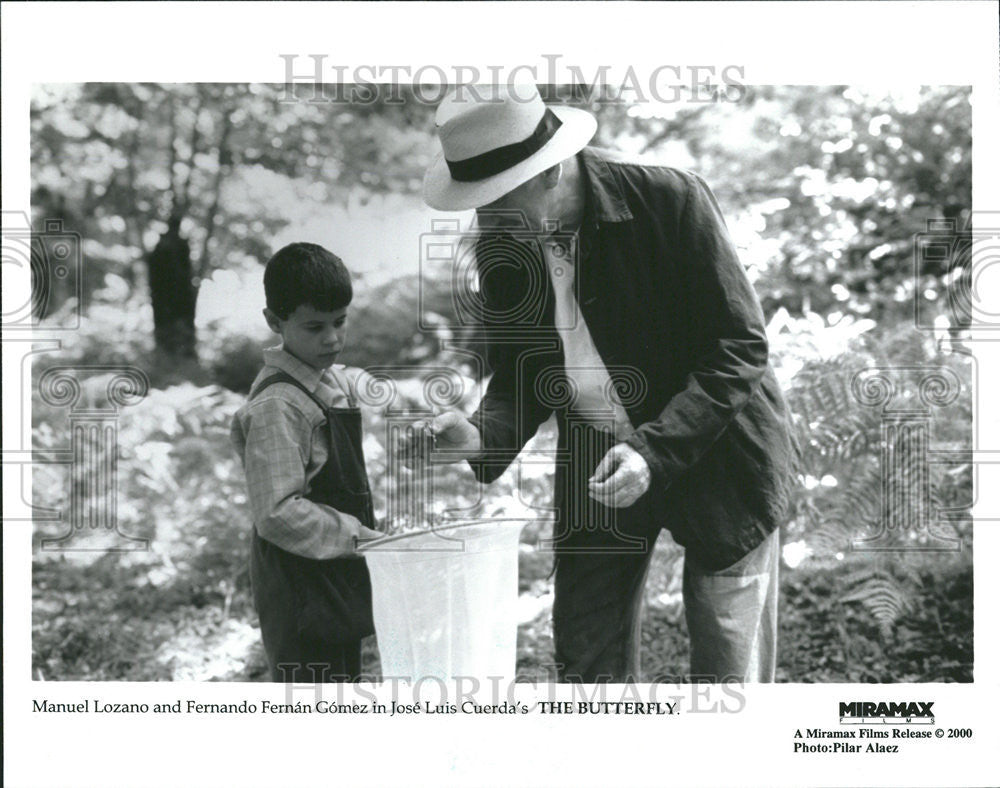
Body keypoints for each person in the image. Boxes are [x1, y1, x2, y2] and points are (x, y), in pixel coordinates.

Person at [403, 84, 796, 683]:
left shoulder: (671, 198)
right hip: (595, 456)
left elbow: (738, 345)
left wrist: (652, 451)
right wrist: (476, 436)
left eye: (498, 201)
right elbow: (523, 374)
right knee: (585, 655)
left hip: (719, 447)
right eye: (479, 203)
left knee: (726, 658)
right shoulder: (501, 244)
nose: (488, 220)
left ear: (551, 171)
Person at [231, 242, 383, 682]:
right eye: (314, 327)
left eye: (340, 322)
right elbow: (276, 513)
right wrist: (359, 537)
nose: (332, 338)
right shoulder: (278, 405)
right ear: (274, 322)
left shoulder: (327, 383)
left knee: (342, 683)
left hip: (333, 574)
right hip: (298, 586)